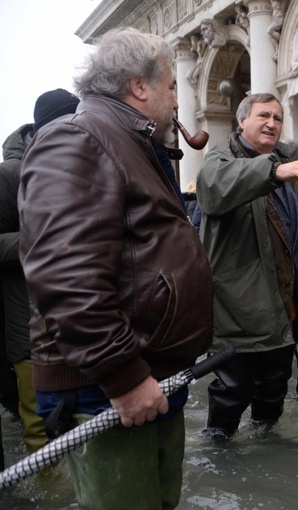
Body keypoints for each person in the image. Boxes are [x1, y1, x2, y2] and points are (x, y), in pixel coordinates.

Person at [18, 28, 213, 509]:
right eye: (171, 87)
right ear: (139, 86)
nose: (176, 101)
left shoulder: (132, 142)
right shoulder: (79, 138)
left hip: (149, 376)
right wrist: (123, 376)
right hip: (108, 387)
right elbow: (66, 276)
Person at [195, 93, 298, 439]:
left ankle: (268, 448)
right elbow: (213, 188)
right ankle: (220, 459)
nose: (272, 123)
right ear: (242, 121)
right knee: (232, 393)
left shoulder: (286, 162)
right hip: (237, 309)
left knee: (274, 391)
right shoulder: (221, 157)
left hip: (282, 305)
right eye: (263, 116)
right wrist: (274, 171)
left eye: (277, 117)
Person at [0, 89, 80, 457]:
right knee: (40, 428)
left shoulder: (77, 167)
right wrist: (41, 239)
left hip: (79, 319)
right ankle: (50, 492)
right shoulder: (9, 175)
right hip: (27, 324)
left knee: (78, 421)